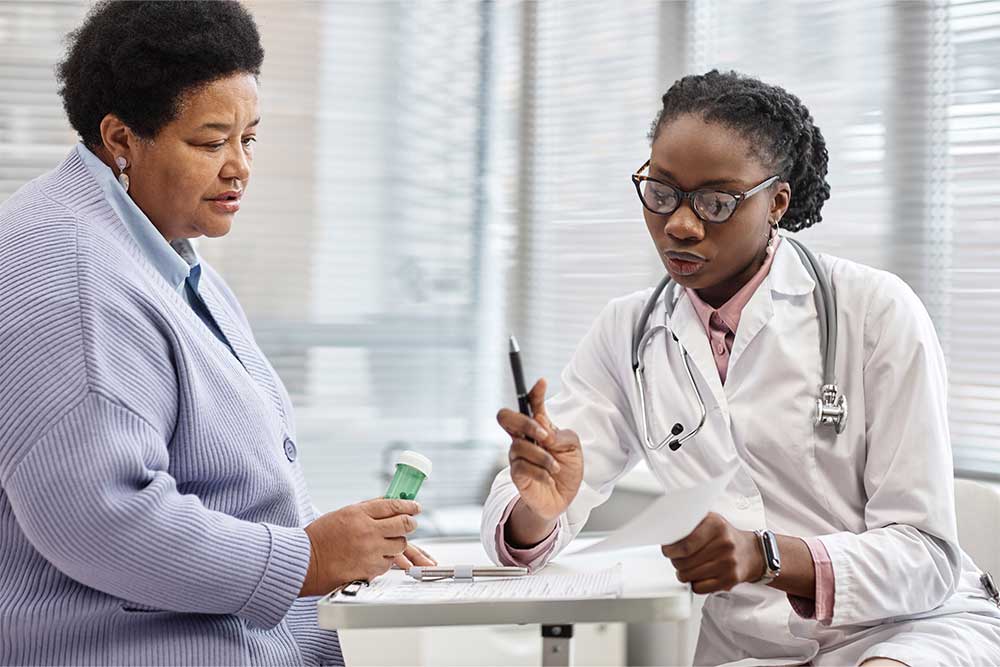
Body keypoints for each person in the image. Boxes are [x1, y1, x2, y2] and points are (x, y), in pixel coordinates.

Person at [482, 70, 1000, 666]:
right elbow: (526, 530)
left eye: (715, 202)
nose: (680, 223)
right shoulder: (627, 333)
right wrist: (539, 505)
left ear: (776, 201)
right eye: (661, 192)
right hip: (751, 647)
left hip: (906, 631)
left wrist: (767, 555)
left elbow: (927, 558)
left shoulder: (875, 312)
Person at [0, 2, 431, 664]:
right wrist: (306, 558)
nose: (240, 168)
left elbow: (222, 480)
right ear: (120, 140)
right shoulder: (74, 273)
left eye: (248, 138)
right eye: (210, 141)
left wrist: (343, 548)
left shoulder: (160, 256)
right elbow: (101, 518)